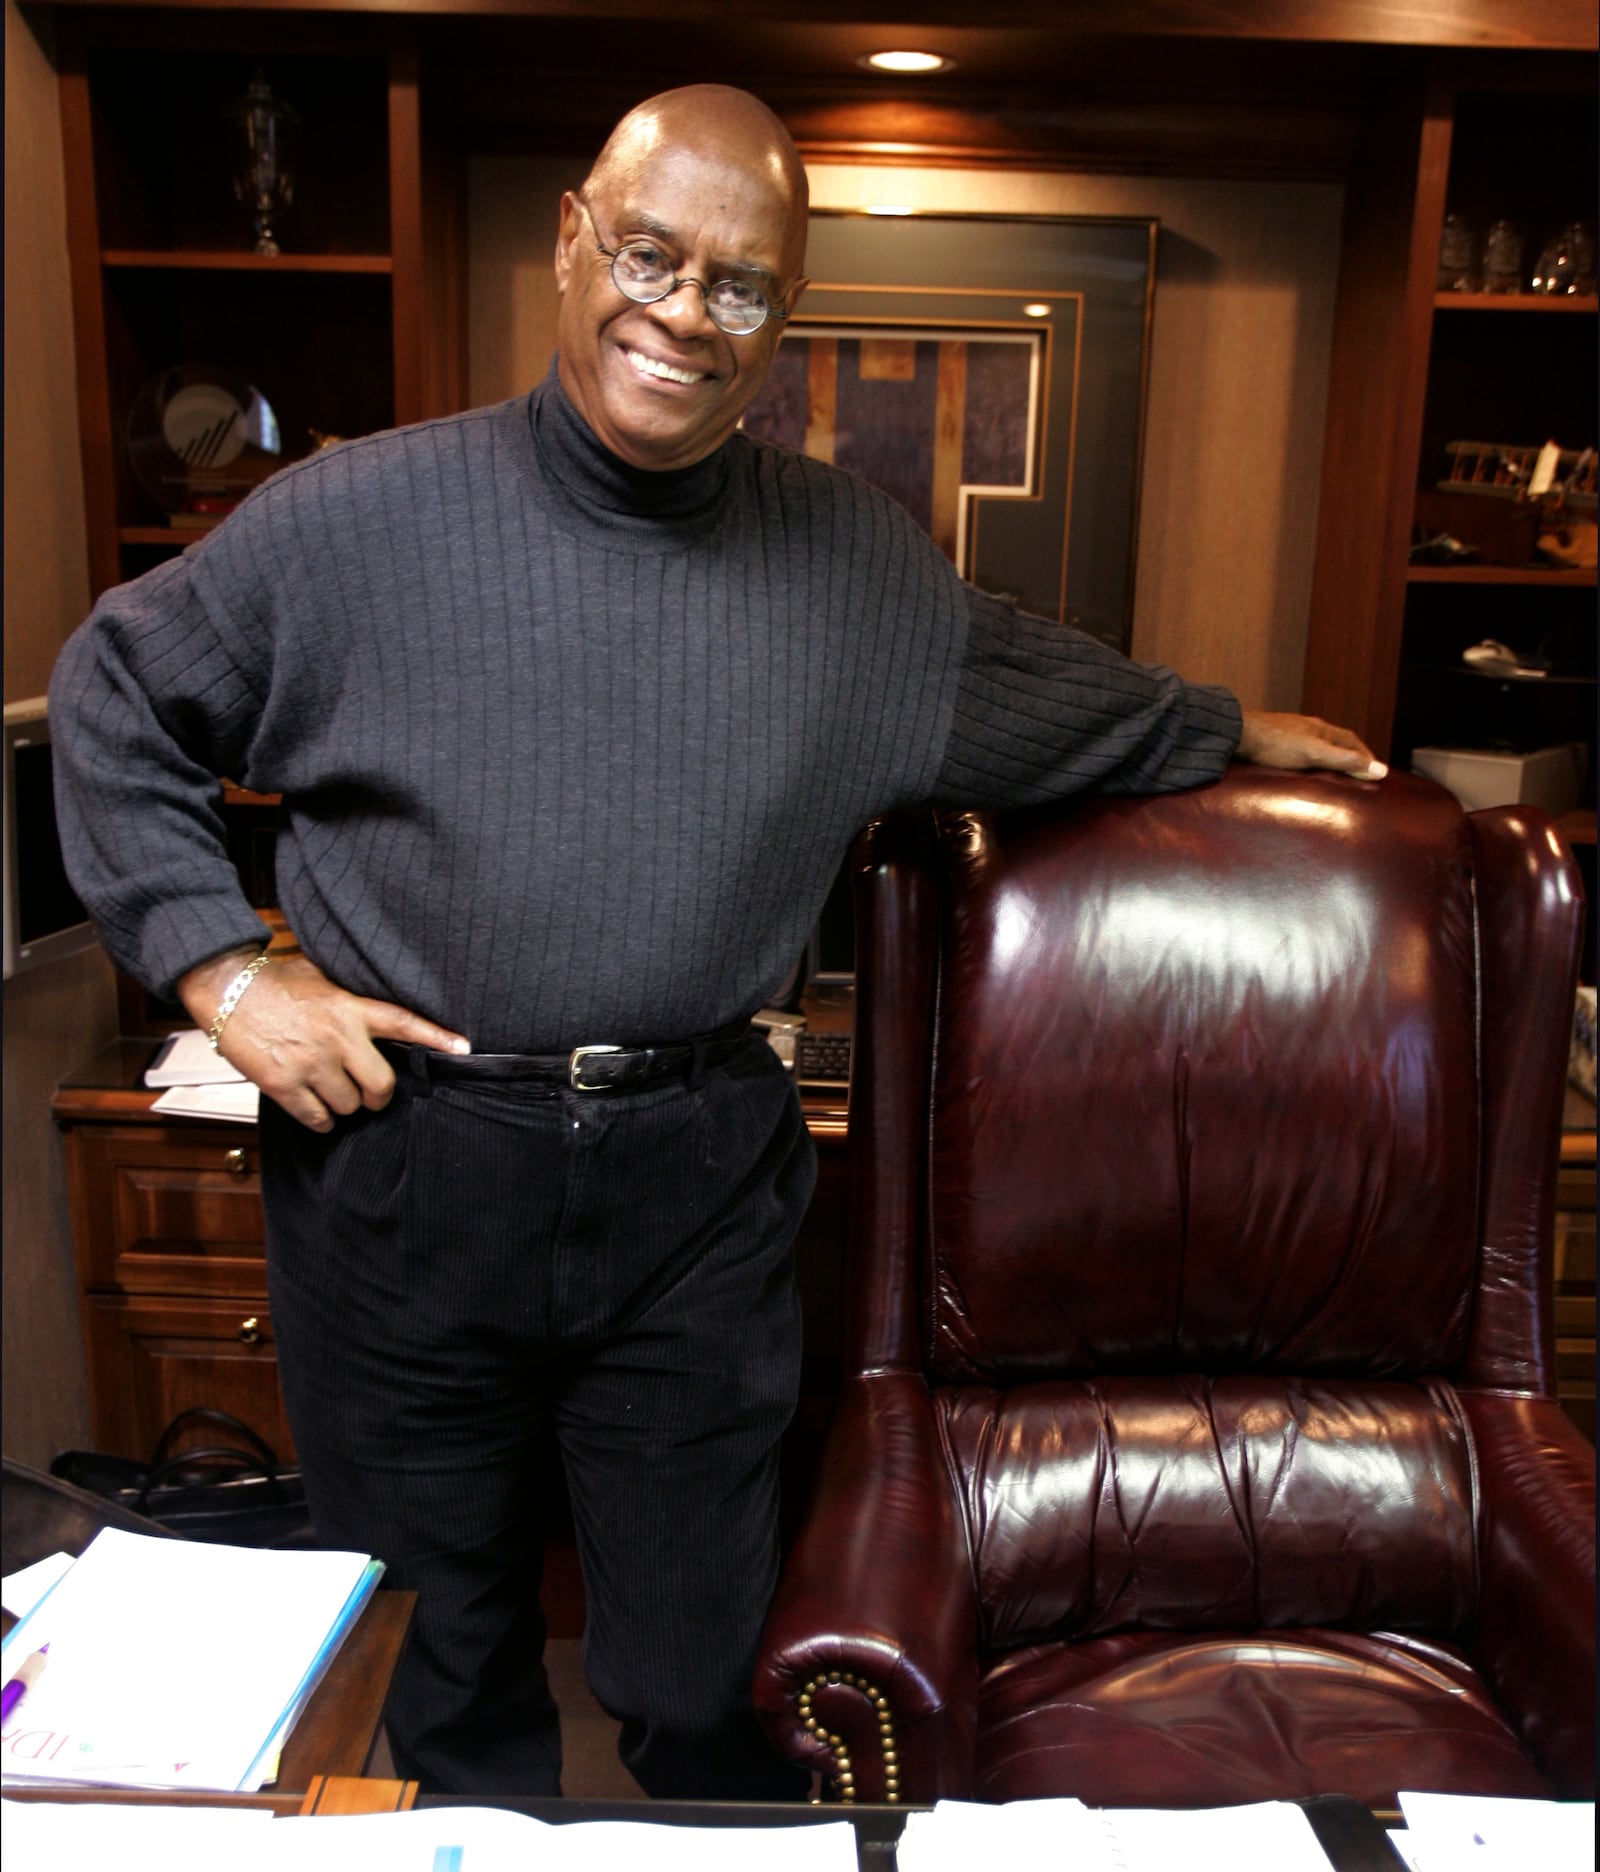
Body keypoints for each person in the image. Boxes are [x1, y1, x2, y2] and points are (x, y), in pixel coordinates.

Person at [49, 85, 1385, 1799]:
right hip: (402, 1161)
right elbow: (114, 692)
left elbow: (1040, 691)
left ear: (784, 318)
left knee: (707, 1660)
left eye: (740, 285)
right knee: (433, 1657)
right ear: (571, 244)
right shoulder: (352, 526)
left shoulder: (856, 570)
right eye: (650, 255)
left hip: (695, 1178)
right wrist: (225, 969)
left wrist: (1222, 726)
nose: (683, 313)